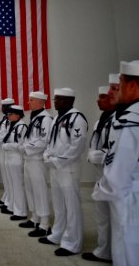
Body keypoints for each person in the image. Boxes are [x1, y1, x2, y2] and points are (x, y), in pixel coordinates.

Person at [93, 61, 139, 266]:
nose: (115, 89)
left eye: (119, 83)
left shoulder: (131, 121)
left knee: (126, 250)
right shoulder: (126, 117)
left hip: (129, 197)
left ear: (132, 87)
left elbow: (119, 175)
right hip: (129, 192)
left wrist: (101, 188)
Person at [40, 88, 88, 257]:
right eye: (55, 99)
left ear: (69, 101)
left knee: (71, 206)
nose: (55, 102)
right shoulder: (57, 119)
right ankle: (58, 234)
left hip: (68, 169)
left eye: (59, 99)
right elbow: (50, 142)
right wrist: (47, 155)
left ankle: (72, 243)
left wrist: (58, 161)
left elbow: (77, 146)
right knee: (58, 204)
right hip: (54, 167)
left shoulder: (77, 119)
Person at [81, 85, 116, 263]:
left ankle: (116, 252)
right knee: (102, 216)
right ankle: (103, 250)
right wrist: (94, 154)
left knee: (117, 218)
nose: (97, 100)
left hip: (114, 174)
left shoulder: (119, 120)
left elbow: (117, 150)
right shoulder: (100, 120)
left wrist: (99, 155)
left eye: (102, 97)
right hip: (100, 174)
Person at [21, 91, 53, 237]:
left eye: (31, 100)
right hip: (29, 159)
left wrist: (27, 148)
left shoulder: (45, 119)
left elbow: (44, 140)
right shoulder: (34, 117)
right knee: (30, 189)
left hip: (37, 160)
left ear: (40, 102)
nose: (29, 102)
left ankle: (45, 223)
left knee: (40, 190)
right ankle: (35, 217)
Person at [1, 105, 28, 220]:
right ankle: (12, 206)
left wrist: (8, 146)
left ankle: (20, 212)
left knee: (17, 185)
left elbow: (22, 145)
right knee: (11, 184)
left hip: (16, 158)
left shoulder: (22, 127)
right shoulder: (13, 126)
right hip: (9, 158)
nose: (8, 116)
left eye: (10, 114)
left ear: (17, 115)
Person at [0, 98, 15, 209]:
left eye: (4, 107)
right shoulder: (5, 119)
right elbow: (0, 134)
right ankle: (7, 198)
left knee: (10, 178)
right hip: (1, 150)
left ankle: (10, 201)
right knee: (5, 177)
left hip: (6, 150)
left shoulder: (12, 120)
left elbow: (6, 136)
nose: (2, 109)